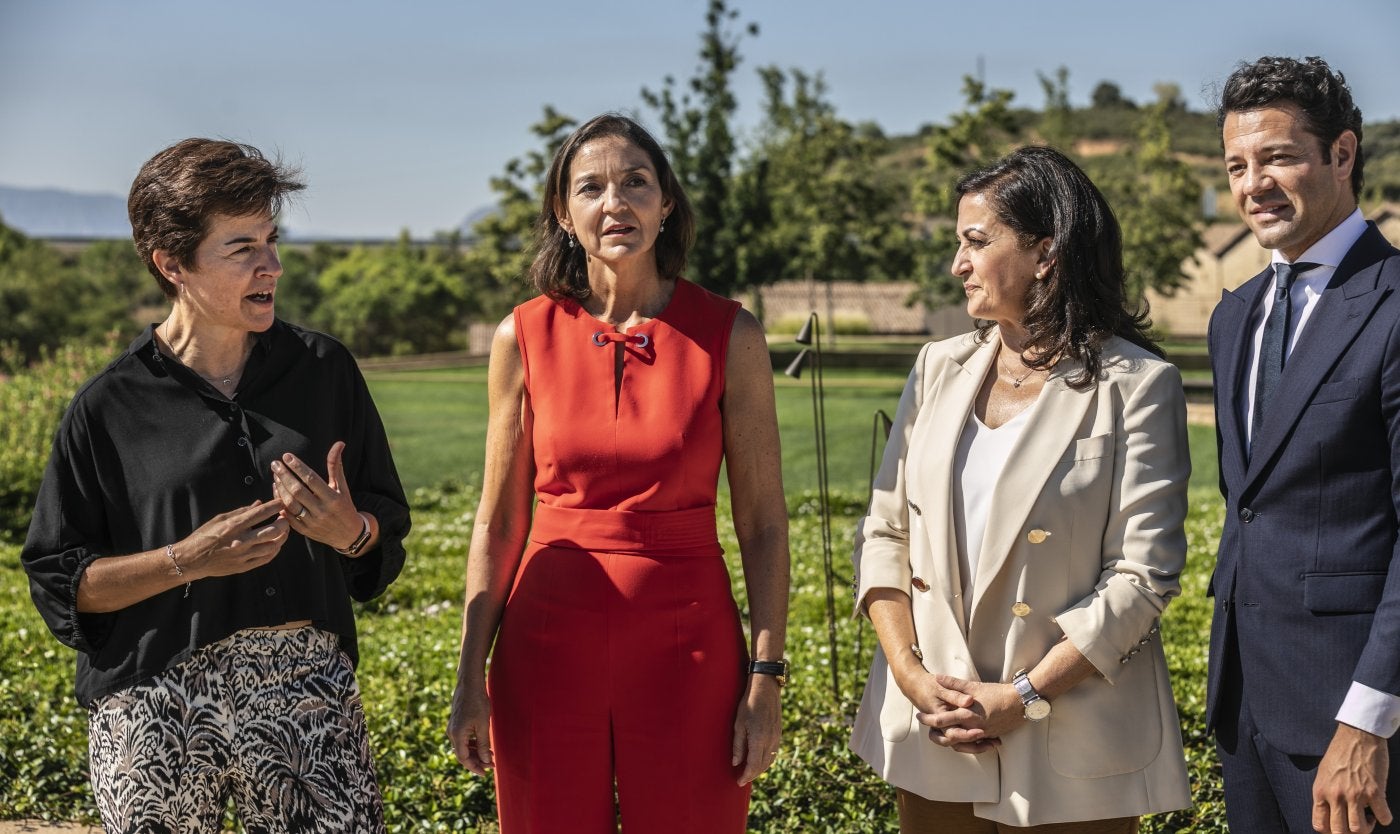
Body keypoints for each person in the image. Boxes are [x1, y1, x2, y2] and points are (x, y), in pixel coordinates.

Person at [21, 138, 410, 833]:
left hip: (305, 693)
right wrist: (186, 561)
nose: (273, 266)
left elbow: (383, 520)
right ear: (170, 263)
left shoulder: (324, 371)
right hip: (152, 701)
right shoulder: (107, 407)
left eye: (271, 240)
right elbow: (61, 579)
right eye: (242, 249)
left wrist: (348, 531)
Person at [446, 113, 790, 833]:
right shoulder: (522, 335)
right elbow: (500, 520)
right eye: (591, 187)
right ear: (563, 215)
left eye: (636, 182)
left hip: (688, 643)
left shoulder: (733, 334)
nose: (616, 203)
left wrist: (766, 676)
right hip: (544, 642)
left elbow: (761, 523)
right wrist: (468, 675)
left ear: (666, 204)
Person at [850, 145, 1192, 831]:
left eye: (975, 241)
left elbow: (1141, 578)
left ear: (1046, 253)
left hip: (1070, 743)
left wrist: (1023, 695)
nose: (958, 265)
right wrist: (915, 681)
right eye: (959, 243)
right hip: (935, 730)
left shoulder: (1139, 386)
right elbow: (886, 532)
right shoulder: (937, 366)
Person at [1207, 55, 1400, 834]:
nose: (1254, 183)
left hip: (1356, 728)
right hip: (1244, 709)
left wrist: (1368, 720)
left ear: (1343, 154)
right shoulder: (1234, 316)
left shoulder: (1392, 304)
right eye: (1237, 165)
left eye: (1279, 156)